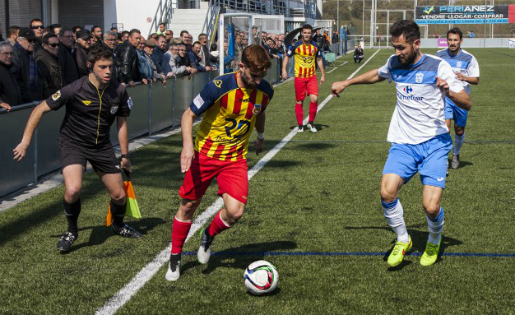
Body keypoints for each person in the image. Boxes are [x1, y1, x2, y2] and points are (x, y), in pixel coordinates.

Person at [331, 20, 472, 267]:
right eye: (394, 47)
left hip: (435, 144)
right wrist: (346, 82)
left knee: (430, 207)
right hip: (404, 143)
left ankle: (434, 238)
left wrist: (448, 90)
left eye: (401, 47)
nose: (397, 52)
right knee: (387, 191)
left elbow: (467, 103)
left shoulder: (439, 66)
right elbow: (377, 73)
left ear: (416, 43)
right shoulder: (395, 63)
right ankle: (403, 239)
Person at [13, 44, 143, 253]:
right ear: (90, 66)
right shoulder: (74, 88)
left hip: (101, 147)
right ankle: (72, 231)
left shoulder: (118, 90)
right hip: (73, 144)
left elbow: (122, 124)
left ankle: (118, 225)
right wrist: (25, 141)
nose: (108, 71)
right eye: (103, 67)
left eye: (110, 66)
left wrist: (125, 155)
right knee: (73, 189)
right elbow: (39, 109)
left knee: (119, 196)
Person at [165, 44, 274, 281]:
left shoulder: (266, 90)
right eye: (254, 75)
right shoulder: (219, 87)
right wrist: (187, 146)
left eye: (262, 76)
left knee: (235, 212)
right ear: (241, 66)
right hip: (204, 156)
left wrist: (261, 137)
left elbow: (260, 111)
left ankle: (208, 236)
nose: (258, 81)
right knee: (187, 207)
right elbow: (188, 115)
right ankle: (175, 256)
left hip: (235, 159)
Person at [436, 28, 479, 169]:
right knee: (445, 128)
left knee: (459, 130)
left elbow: (476, 79)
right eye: (450, 40)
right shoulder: (439, 56)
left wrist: (464, 77)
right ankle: (442, 159)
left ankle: (456, 153)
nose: (452, 43)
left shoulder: (469, 58)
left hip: (461, 98)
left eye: (455, 40)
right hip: (446, 97)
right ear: (446, 40)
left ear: (461, 41)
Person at [281, 24, 325, 133]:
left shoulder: (315, 46)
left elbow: (319, 60)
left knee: (314, 98)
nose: (307, 35)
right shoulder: (295, 45)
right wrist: (283, 70)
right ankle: (300, 125)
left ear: (311, 33)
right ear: (302, 33)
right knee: (300, 101)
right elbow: (287, 57)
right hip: (299, 77)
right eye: (305, 33)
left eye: (309, 33)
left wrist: (323, 74)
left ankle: (311, 123)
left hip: (311, 77)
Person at [34, 33, 62, 98]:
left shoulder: (56, 57)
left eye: (58, 45)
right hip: (50, 97)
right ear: (45, 46)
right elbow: (44, 83)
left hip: (57, 95)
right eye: (53, 45)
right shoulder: (41, 59)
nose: (57, 47)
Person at [0, 41, 21, 111]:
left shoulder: (13, 68)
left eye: (11, 53)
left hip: (17, 109)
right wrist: (1, 103)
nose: (9, 56)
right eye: (6, 53)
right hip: (5, 113)